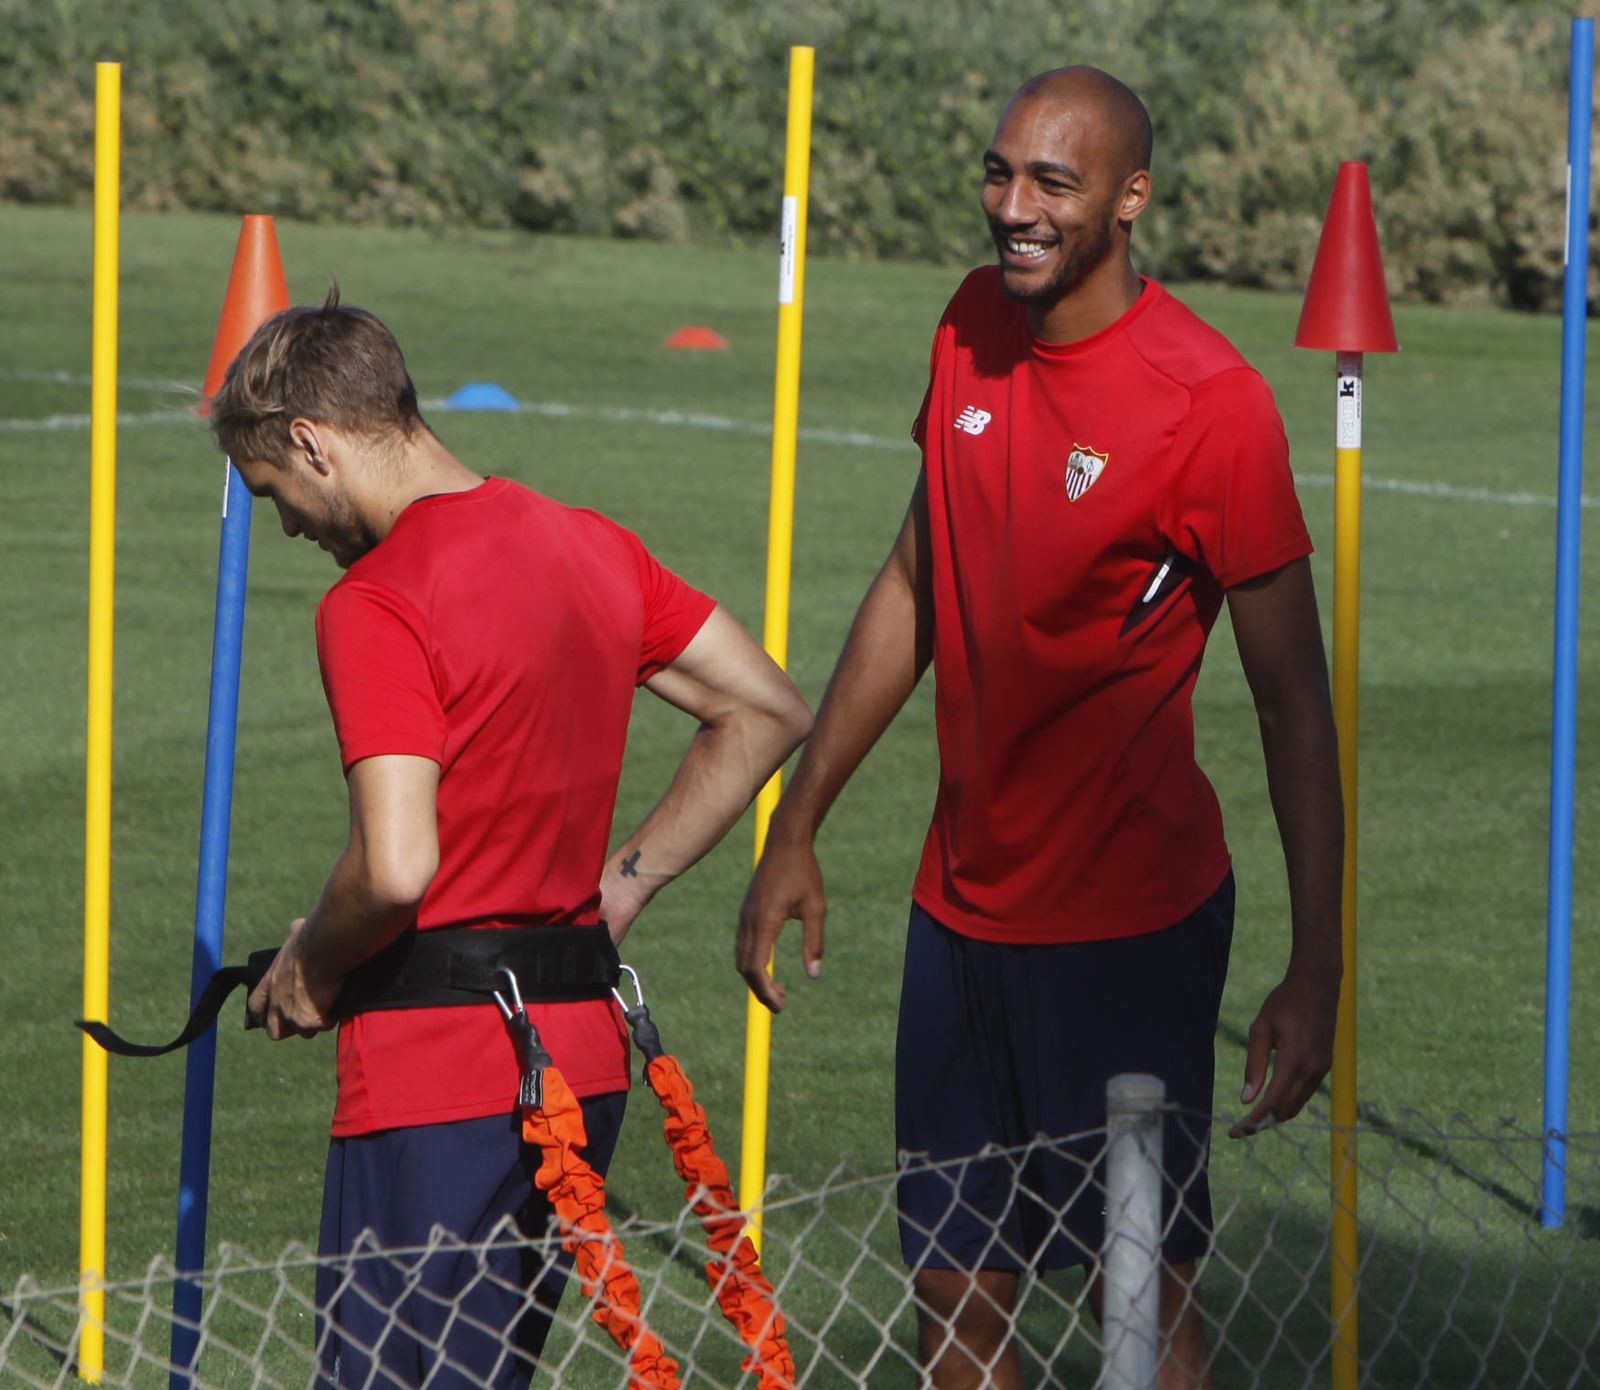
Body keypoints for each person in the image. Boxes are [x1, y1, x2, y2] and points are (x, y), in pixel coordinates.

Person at [736, 65, 1343, 1390]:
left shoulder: (1212, 405)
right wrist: (800, 820)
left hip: (1133, 932)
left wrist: (1317, 961)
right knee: (953, 1313)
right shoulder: (968, 324)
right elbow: (916, 577)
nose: (1013, 206)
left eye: (1051, 182)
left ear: (1129, 200)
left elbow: (1295, 701)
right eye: (1000, 171)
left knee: (1144, 1319)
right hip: (960, 921)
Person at [211, 292, 812, 1389]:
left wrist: (312, 960)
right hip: (580, 1057)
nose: (288, 524)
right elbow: (766, 707)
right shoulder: (588, 543)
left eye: (274, 494)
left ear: (314, 441)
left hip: (437, 1073)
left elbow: (396, 868)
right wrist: (617, 889)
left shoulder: (376, 599)